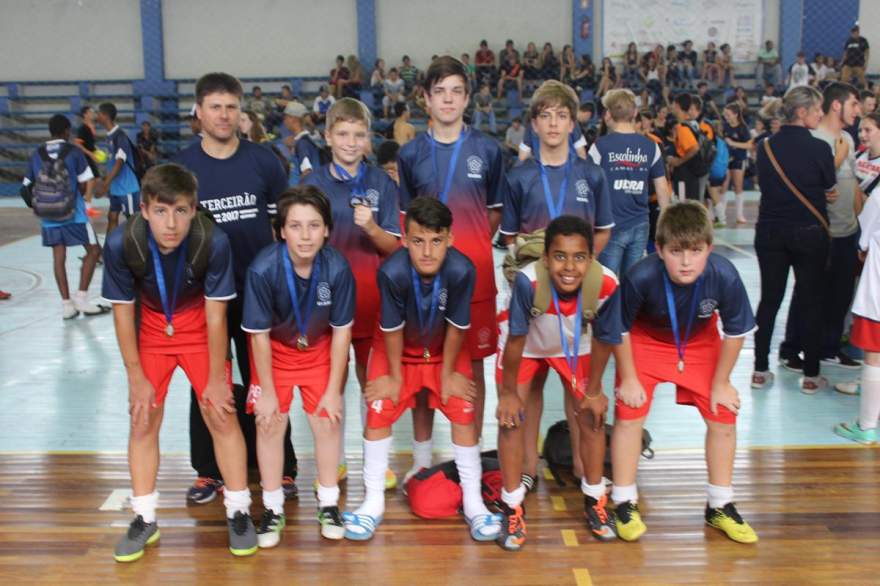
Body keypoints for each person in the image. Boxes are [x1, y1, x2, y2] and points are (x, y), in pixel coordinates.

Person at [103, 164, 256, 561]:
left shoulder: (213, 241)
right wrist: (135, 376)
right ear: (143, 209)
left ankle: (238, 511)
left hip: (199, 329)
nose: (171, 224)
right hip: (152, 330)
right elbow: (122, 314)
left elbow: (217, 315)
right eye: (160, 211)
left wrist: (220, 376)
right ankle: (143, 518)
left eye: (182, 211)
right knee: (142, 417)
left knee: (222, 413)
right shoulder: (123, 243)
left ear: (195, 209)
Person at [343, 197, 501, 542]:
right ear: (404, 238)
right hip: (397, 351)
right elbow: (391, 329)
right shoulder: (391, 271)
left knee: (463, 409)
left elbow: (459, 325)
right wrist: (395, 378)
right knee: (377, 411)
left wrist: (447, 374)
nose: (427, 251)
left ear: (450, 240)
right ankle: (372, 503)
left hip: (445, 351)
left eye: (436, 240)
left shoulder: (462, 270)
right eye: (417, 241)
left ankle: (474, 503)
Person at [172, 72, 299, 504]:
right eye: (215, 107)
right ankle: (209, 471)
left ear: (240, 111)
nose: (223, 115)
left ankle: (280, 466)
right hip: (203, 298)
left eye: (231, 107)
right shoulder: (182, 167)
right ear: (199, 112)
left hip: (257, 294)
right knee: (207, 381)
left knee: (266, 380)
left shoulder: (263, 161)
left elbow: (284, 226)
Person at [608, 201, 758, 544]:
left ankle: (720, 504)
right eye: (676, 251)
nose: (686, 261)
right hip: (645, 341)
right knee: (629, 415)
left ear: (710, 248)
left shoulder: (725, 275)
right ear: (659, 249)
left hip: (699, 342)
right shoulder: (640, 275)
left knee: (724, 414)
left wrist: (722, 383)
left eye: (695, 251)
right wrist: (629, 377)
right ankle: (623, 500)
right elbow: (618, 328)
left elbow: (735, 332)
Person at [500, 80, 613, 488]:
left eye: (561, 115)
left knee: (576, 383)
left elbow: (602, 232)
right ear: (533, 124)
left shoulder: (591, 174)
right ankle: (527, 469)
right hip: (533, 293)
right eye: (545, 115)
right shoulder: (518, 177)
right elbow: (511, 239)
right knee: (529, 386)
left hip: (578, 293)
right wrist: (536, 271)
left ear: (573, 124)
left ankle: (586, 469)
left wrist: (577, 270)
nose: (553, 123)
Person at [397, 55, 506, 452]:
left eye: (456, 92)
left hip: (474, 275)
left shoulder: (489, 150)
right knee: (421, 361)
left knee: (473, 366)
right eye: (439, 92)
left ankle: (471, 456)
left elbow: (494, 211)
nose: (448, 100)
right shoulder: (410, 155)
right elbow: (406, 217)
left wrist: (469, 246)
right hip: (422, 275)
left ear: (467, 99)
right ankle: (424, 459)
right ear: (425, 98)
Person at [494, 215, 622, 550]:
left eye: (579, 257)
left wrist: (593, 391)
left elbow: (606, 339)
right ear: (546, 258)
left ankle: (595, 499)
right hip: (526, 346)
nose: (569, 266)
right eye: (560, 256)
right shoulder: (528, 283)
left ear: (591, 259)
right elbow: (516, 342)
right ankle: (511, 505)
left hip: (574, 344)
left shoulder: (607, 284)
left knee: (592, 417)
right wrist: (508, 393)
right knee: (510, 420)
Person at [243, 186, 354, 546]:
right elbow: (258, 337)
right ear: (280, 231)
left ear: (326, 230)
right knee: (270, 423)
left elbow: (342, 333)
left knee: (326, 421)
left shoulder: (337, 267)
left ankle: (328, 504)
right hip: (274, 351)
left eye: (313, 226)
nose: (305, 236)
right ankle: (272, 508)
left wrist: (334, 392)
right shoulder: (262, 269)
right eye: (295, 226)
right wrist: (269, 393)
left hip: (320, 349)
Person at [303, 98, 401, 484]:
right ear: (327, 137)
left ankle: (377, 460)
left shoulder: (381, 183)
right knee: (332, 382)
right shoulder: (312, 185)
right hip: (325, 303)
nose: (350, 141)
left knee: (371, 380)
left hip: (372, 299)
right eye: (342, 133)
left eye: (358, 134)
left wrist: (373, 228)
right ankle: (337, 459)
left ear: (368, 140)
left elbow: (395, 247)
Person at [750, 86, 837, 392]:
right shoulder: (821, 148)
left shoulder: (766, 147)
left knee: (770, 300)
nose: (820, 114)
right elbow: (830, 187)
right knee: (811, 301)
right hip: (809, 232)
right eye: (816, 109)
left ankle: (759, 370)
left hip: (771, 231)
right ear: (802, 112)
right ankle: (811, 376)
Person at [778, 83, 863, 375]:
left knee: (840, 294)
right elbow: (812, 185)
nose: (859, 110)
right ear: (836, 106)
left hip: (847, 232)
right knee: (807, 292)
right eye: (854, 104)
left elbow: (853, 189)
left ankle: (829, 348)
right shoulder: (815, 140)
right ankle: (791, 349)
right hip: (819, 232)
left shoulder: (849, 140)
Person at [22, 114, 105, 319]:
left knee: (59, 258)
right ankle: (82, 298)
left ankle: (67, 305)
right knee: (94, 251)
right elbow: (86, 181)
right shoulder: (74, 152)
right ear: (67, 131)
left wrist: (41, 204)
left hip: (49, 216)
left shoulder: (37, 154)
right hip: (74, 213)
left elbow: (25, 187)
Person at [590, 88, 670, 276]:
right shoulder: (651, 146)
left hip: (610, 225)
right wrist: (665, 222)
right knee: (632, 282)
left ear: (608, 114)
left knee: (608, 284)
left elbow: (588, 185)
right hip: (641, 223)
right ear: (635, 113)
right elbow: (661, 188)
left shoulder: (600, 146)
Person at [834, 111, 880, 399]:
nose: (863, 135)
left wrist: (863, 245)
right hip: (854, 235)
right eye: (861, 130)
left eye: (869, 130)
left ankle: (868, 380)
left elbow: (869, 208)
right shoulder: (859, 158)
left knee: (871, 315)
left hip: (870, 244)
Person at [95, 102, 141, 235]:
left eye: (99, 113)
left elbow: (119, 162)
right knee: (112, 217)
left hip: (127, 188)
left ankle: (138, 251)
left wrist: (105, 184)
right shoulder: (109, 137)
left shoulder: (119, 136)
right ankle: (109, 251)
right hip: (116, 188)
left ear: (105, 116)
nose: (97, 116)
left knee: (133, 221)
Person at [721, 103, 753, 224]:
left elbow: (750, 145)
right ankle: (721, 214)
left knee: (738, 187)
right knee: (723, 186)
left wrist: (733, 143)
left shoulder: (743, 128)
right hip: (725, 160)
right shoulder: (724, 126)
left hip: (739, 159)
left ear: (735, 114)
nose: (726, 117)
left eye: (728, 114)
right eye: (725, 114)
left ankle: (739, 215)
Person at [73, 106, 101, 218]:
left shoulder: (91, 127)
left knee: (93, 180)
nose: (93, 113)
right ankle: (87, 206)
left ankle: (85, 204)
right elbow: (78, 144)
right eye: (90, 112)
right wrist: (90, 154)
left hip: (89, 156)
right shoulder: (83, 129)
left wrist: (97, 151)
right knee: (91, 179)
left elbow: (90, 144)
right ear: (85, 114)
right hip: (83, 157)